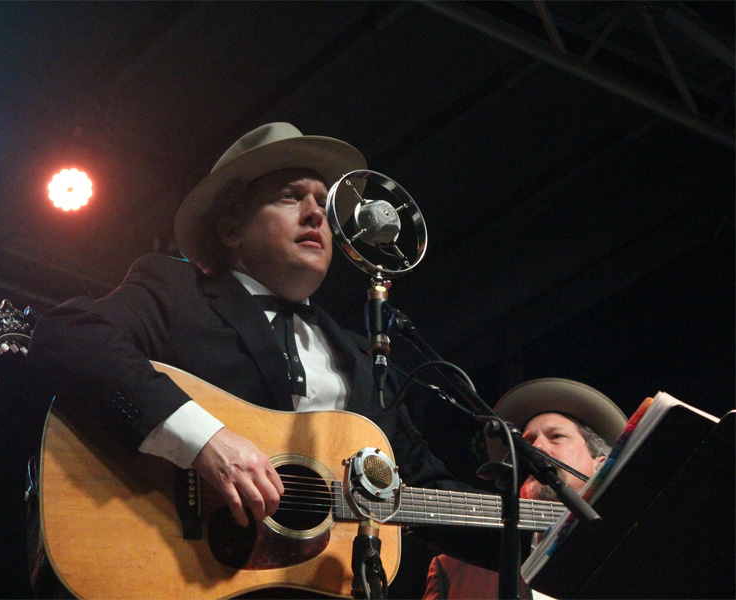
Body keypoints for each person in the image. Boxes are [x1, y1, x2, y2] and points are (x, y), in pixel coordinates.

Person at [28, 122, 477, 594]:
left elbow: (424, 488)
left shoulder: (363, 361)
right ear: (230, 230)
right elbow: (68, 336)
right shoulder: (176, 291)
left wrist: (530, 527)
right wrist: (204, 441)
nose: (316, 214)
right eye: (290, 196)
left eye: (323, 203)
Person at [423, 378, 628, 600]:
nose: (536, 447)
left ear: (601, 464)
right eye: (528, 442)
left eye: (556, 436)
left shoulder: (630, 547)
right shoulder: (455, 571)